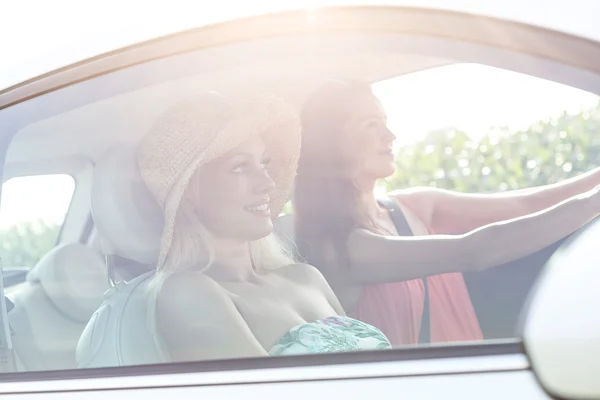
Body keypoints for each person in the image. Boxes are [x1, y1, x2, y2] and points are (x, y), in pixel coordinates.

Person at [293, 79, 600, 346]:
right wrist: (592, 203)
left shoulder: (413, 206)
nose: (390, 134)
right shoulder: (344, 248)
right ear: (331, 143)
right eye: (371, 124)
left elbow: (525, 206)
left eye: (385, 120)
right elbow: (474, 251)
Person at [136, 92, 392, 362]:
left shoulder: (306, 277)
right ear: (190, 192)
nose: (267, 183)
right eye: (240, 168)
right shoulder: (186, 293)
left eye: (264, 163)